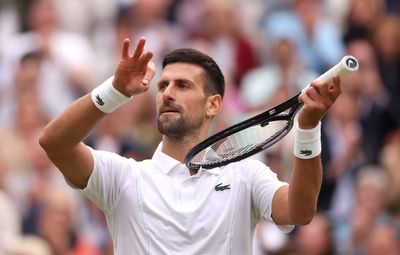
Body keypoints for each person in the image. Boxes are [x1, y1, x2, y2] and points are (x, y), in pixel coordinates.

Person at [39, 37, 343, 254]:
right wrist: (114, 91)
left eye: (182, 86)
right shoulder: (123, 177)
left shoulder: (247, 175)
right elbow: (54, 143)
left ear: (214, 105)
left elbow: (300, 211)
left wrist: (308, 127)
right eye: (162, 85)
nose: (167, 94)